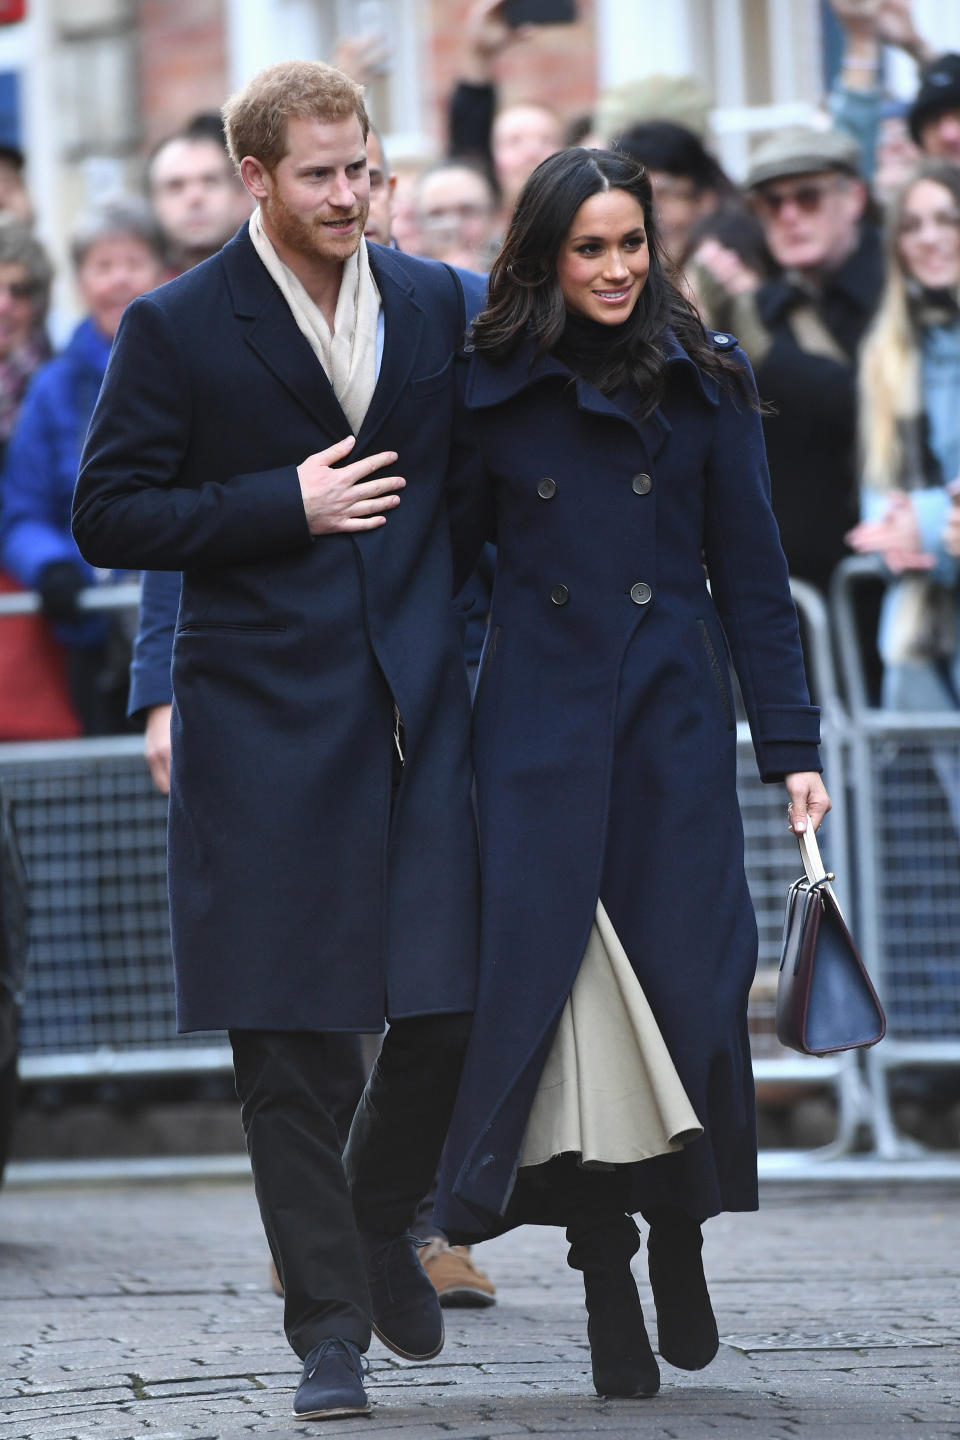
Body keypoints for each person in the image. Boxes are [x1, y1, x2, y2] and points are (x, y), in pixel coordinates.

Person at [72, 59, 485, 1421]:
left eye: (361, 167)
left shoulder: (434, 298)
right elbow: (112, 514)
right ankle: (327, 1329)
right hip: (257, 725)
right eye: (319, 173)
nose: (348, 194)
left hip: (420, 712)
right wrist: (279, 502)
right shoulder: (178, 326)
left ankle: (381, 1221)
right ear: (256, 176)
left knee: (448, 999)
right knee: (291, 1046)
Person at [433, 147, 830, 1401]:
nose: (615, 268)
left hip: (670, 729)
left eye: (632, 242)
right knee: (561, 1015)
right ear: (548, 254)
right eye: (589, 246)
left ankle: (682, 1235)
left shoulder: (711, 382)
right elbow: (443, 578)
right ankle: (602, 1263)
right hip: (537, 733)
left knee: (693, 993)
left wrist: (795, 748)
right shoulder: (487, 389)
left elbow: (757, 580)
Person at [1, 197, 165, 735]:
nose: (119, 280)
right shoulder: (52, 389)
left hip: (191, 630)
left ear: (161, 272)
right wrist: (51, 567)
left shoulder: (198, 368)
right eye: (102, 266)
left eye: (133, 263)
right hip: (92, 634)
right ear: (79, 283)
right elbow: (22, 511)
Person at [847, 161, 960, 710]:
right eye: (911, 226)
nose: (930, 238)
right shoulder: (885, 351)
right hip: (922, 630)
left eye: (947, 219)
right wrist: (896, 529)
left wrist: (930, 524)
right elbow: (881, 486)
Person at [146, 121, 251, 276]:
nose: (194, 198)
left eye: (210, 181)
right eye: (175, 186)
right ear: (153, 201)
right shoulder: (135, 294)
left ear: (240, 192)